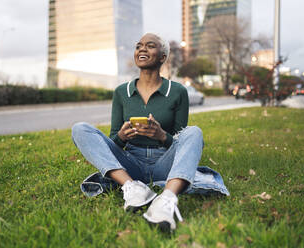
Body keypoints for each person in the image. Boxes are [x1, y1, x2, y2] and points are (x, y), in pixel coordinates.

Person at [72, 33, 205, 232]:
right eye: (138, 46)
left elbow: (181, 142)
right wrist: (122, 137)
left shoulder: (177, 92)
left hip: (164, 164)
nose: (142, 49)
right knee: (79, 128)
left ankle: (166, 199)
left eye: (150, 46)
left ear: (162, 57)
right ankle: (132, 188)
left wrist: (161, 135)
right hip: (131, 165)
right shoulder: (121, 92)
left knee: (194, 132)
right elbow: (113, 143)